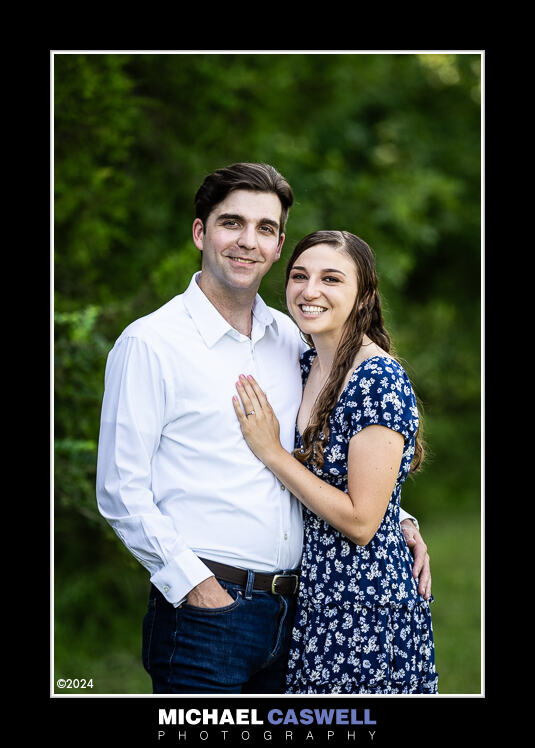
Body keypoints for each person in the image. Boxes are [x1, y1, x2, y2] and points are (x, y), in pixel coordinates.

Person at [96, 163, 432, 694]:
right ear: (201, 233)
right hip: (208, 616)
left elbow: (329, 449)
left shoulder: (293, 339)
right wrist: (196, 587)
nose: (248, 241)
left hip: (303, 615)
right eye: (232, 223)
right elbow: (120, 490)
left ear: (278, 248)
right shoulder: (151, 344)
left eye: (266, 229)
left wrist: (399, 518)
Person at [233, 229, 438, 693]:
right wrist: (402, 518)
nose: (310, 291)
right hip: (316, 598)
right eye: (299, 276)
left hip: (364, 605)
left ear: (364, 295)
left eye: (331, 279)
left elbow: (362, 520)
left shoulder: (377, 379)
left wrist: (272, 453)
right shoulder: (305, 364)